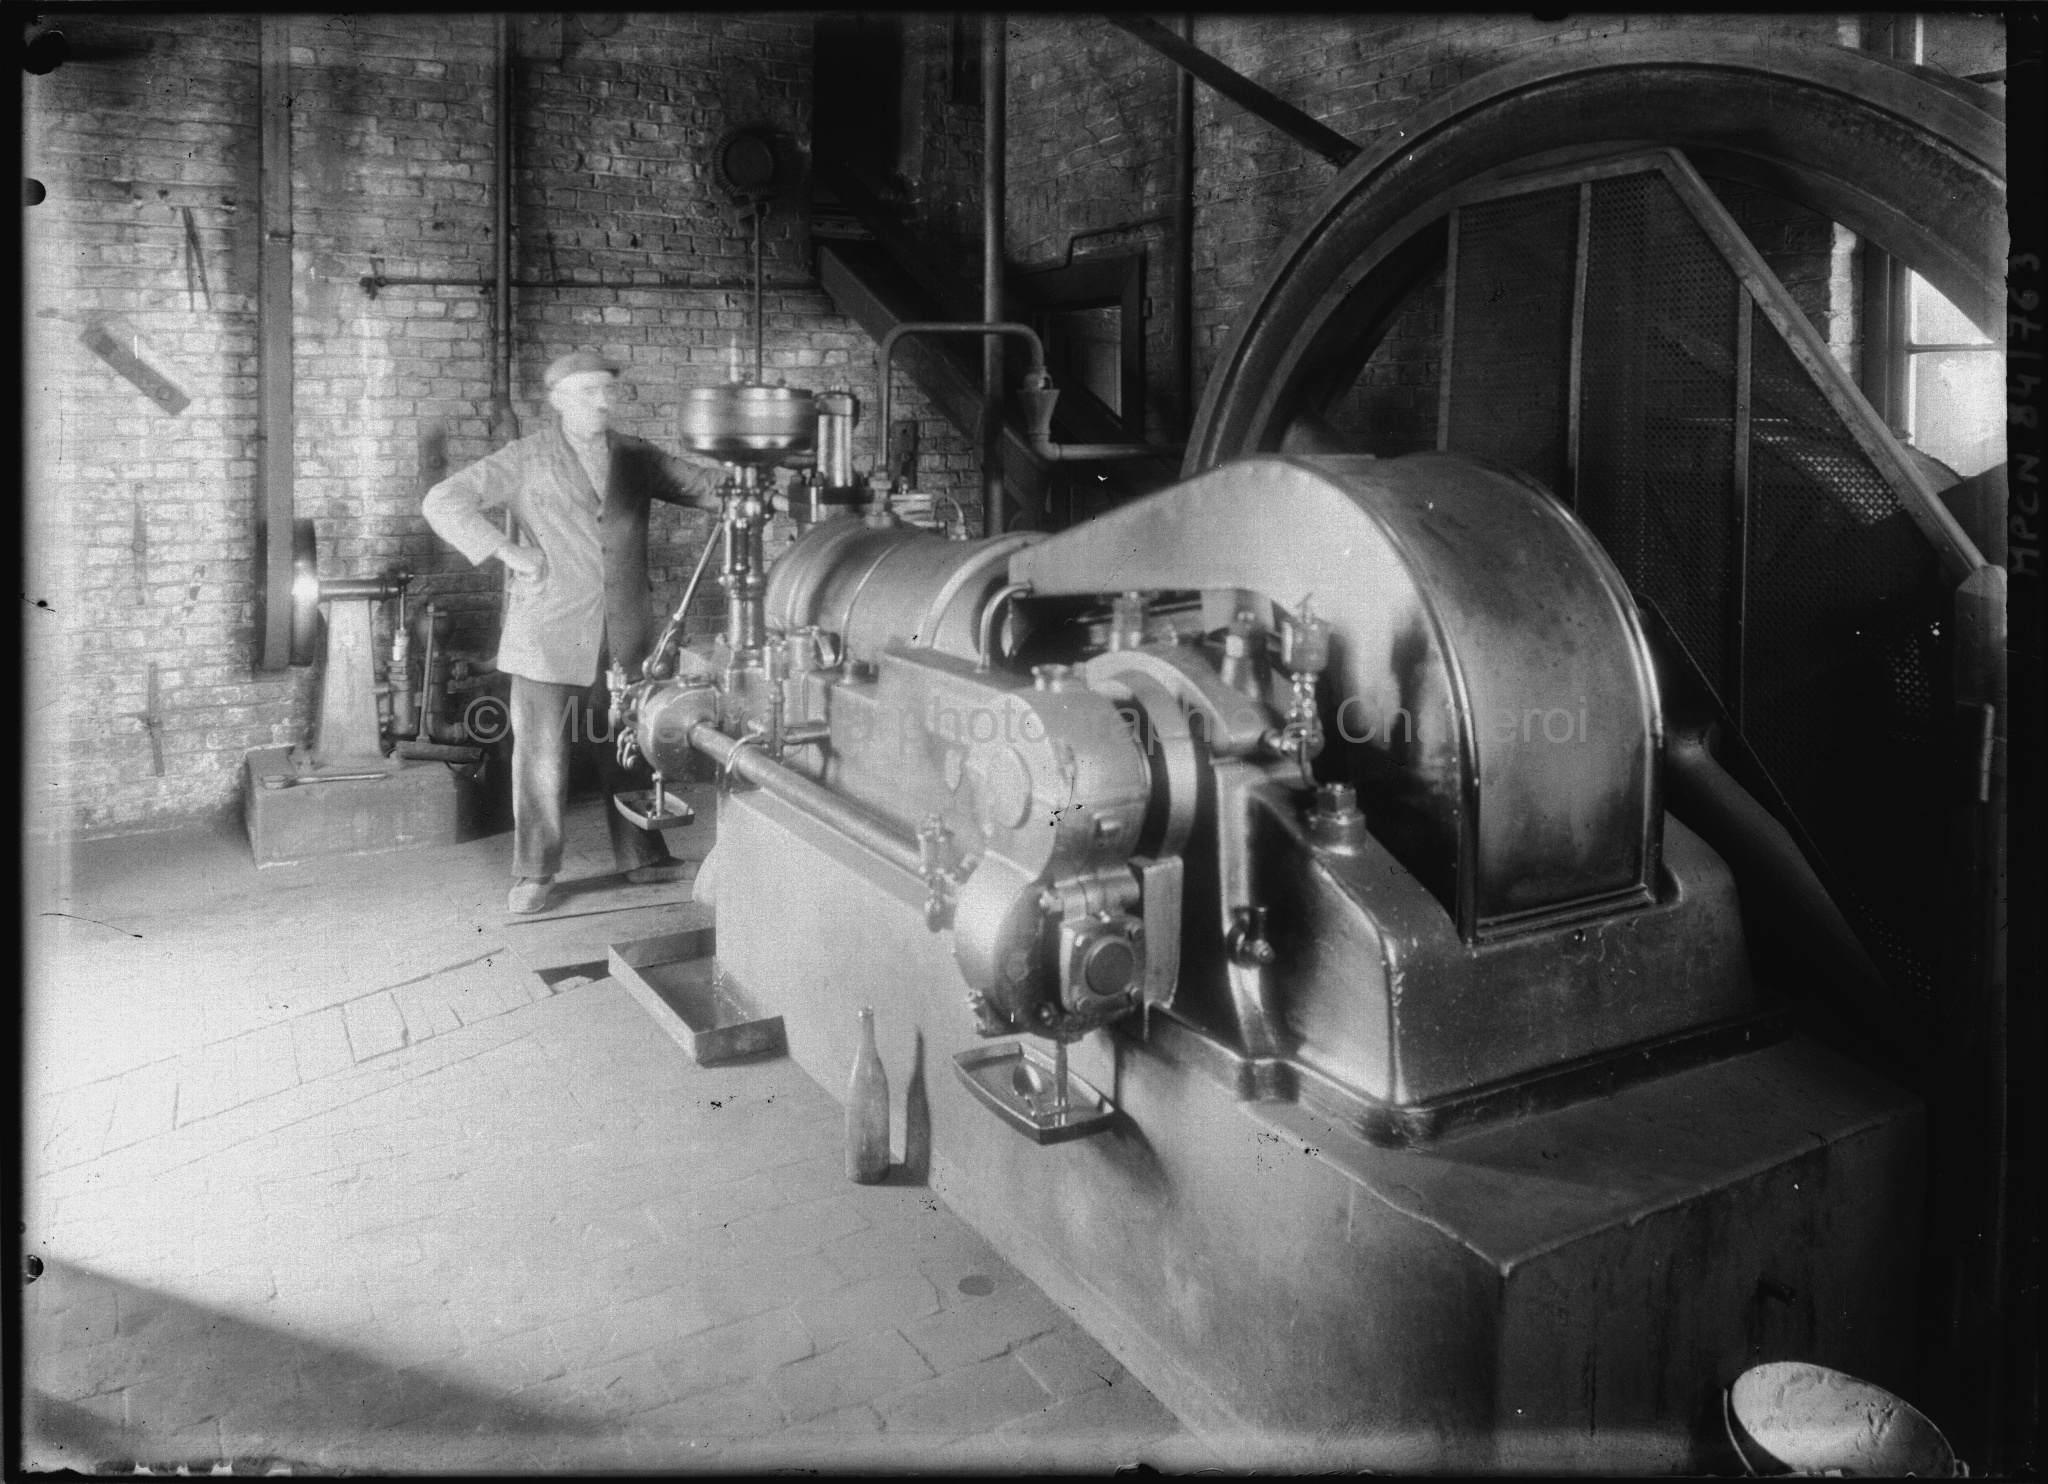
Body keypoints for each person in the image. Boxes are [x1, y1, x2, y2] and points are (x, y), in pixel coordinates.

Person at [423, 349, 727, 914]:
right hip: (547, 630)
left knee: (630, 742)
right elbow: (443, 500)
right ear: (559, 399)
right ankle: (536, 873)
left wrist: (765, 478)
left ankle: (642, 858)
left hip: (625, 631)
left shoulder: (634, 456)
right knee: (540, 757)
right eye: (589, 392)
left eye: (609, 391)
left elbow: (708, 487)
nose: (604, 401)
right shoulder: (526, 457)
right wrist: (509, 551)